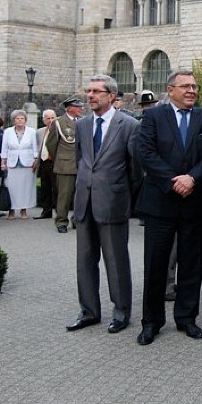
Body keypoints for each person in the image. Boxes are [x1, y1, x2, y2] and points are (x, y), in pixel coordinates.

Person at [135, 70, 202, 345]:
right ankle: (151, 322)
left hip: (195, 202)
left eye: (194, 86)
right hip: (161, 201)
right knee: (156, 264)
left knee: (192, 264)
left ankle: (187, 318)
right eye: (185, 86)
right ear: (170, 89)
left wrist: (192, 177)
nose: (192, 91)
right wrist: (173, 181)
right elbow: (145, 153)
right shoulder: (152, 117)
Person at [66, 75, 141, 335]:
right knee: (85, 260)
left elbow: (136, 169)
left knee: (115, 261)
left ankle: (121, 312)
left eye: (97, 91)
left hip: (113, 202)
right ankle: (88, 311)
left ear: (111, 96)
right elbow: (81, 160)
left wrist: (122, 196)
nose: (90, 95)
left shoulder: (129, 125)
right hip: (84, 201)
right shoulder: (83, 125)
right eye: (88, 91)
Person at [46, 97, 83, 233]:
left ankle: (77, 219)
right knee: (64, 195)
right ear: (70, 108)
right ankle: (61, 221)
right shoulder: (59, 122)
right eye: (78, 107)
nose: (81, 109)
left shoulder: (83, 121)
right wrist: (60, 159)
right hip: (65, 165)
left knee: (80, 195)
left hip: (82, 165)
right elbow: (51, 144)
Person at [0, 109, 39, 220]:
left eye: (22, 118)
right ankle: (11, 210)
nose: (20, 121)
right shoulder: (8, 132)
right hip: (12, 163)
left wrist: (35, 160)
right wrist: (3, 162)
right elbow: (4, 147)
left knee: (25, 188)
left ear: (25, 120)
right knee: (11, 188)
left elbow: (35, 147)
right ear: (13, 120)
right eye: (17, 118)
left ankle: (23, 210)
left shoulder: (31, 132)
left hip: (27, 163)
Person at [34, 109, 57, 219]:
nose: (50, 120)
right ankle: (46, 211)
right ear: (43, 120)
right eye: (48, 118)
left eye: (52, 117)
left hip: (54, 162)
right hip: (43, 163)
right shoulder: (39, 132)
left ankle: (59, 211)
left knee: (56, 188)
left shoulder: (59, 130)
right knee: (45, 187)